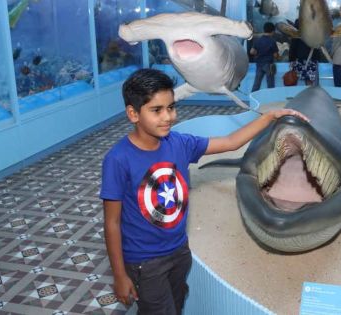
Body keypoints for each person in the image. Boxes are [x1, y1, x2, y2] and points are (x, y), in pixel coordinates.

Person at [100, 68, 308, 315]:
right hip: (144, 262)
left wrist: (269, 117)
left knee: (175, 307)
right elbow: (111, 223)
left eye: (171, 107)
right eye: (157, 110)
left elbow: (230, 142)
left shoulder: (180, 144)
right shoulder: (118, 159)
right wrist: (119, 275)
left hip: (179, 251)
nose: (168, 117)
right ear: (133, 113)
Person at [289, 22, 323, 86]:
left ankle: (297, 94)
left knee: (296, 79)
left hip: (300, 59)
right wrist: (318, 58)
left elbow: (293, 47)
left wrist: (291, 59)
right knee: (309, 80)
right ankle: (309, 93)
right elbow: (317, 46)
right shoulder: (314, 32)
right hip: (311, 59)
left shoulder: (296, 33)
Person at [250, 22, 279, 92]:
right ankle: (271, 101)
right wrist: (278, 56)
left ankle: (253, 99)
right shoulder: (272, 41)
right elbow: (275, 55)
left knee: (256, 84)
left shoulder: (258, 40)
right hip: (269, 65)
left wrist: (259, 52)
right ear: (272, 31)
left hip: (259, 64)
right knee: (270, 85)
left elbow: (251, 52)